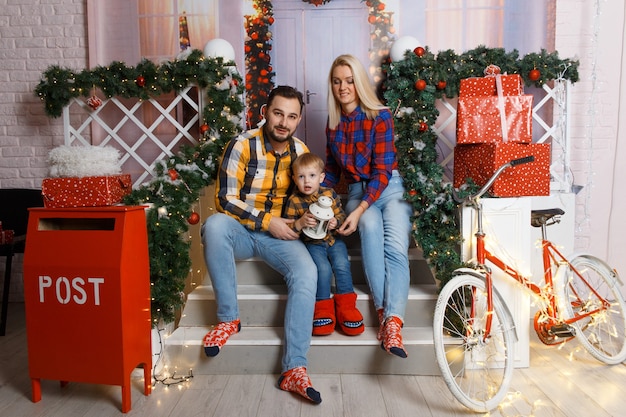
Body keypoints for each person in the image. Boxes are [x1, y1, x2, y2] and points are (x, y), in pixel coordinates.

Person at [200, 86, 321, 404]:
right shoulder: (241, 145)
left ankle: (294, 369)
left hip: (279, 237)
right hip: (241, 231)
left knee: (307, 272)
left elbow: (309, 193)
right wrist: (268, 221)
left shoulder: (299, 150)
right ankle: (229, 318)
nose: (284, 122)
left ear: (298, 119)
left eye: (292, 116)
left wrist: (318, 214)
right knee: (213, 226)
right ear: (266, 111)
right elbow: (224, 200)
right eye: (278, 113)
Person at [322, 54, 413, 358]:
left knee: (395, 248)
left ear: (358, 82)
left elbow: (383, 172)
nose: (343, 87)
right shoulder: (333, 126)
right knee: (370, 226)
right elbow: (333, 172)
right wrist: (317, 199)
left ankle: (393, 323)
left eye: (349, 80)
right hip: (357, 193)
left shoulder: (380, 116)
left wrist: (360, 209)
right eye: (337, 81)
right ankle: (383, 311)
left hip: (390, 187)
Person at [283, 152, 364, 336]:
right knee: (323, 269)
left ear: (321, 177)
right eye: (301, 177)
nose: (306, 181)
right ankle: (322, 308)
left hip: (334, 240)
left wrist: (336, 221)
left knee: (342, 265)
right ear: (294, 179)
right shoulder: (294, 201)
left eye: (312, 176)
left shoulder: (329, 194)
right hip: (312, 244)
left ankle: (346, 308)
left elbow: (342, 215)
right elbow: (288, 227)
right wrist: (300, 223)